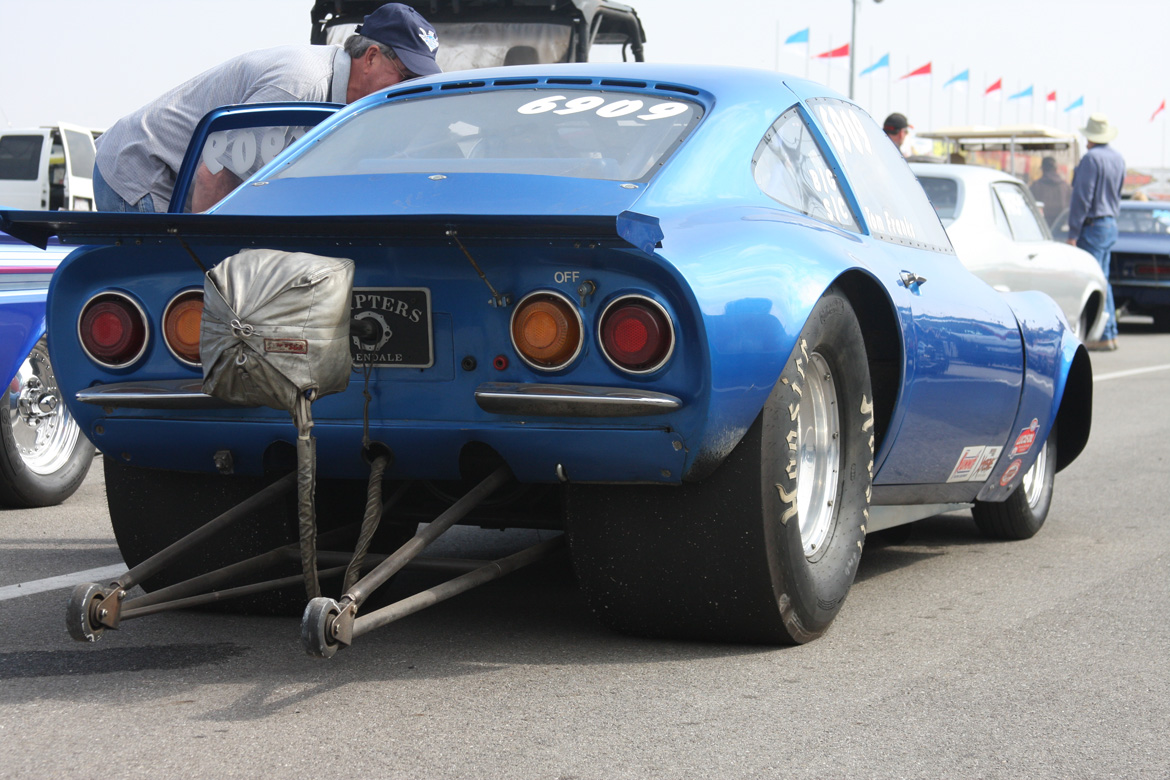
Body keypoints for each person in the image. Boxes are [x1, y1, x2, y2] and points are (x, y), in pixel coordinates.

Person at [93, 3, 441, 213]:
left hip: (182, 177)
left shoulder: (344, 106)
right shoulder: (300, 87)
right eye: (406, 77)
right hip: (143, 168)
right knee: (185, 290)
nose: (409, 91)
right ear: (372, 57)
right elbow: (215, 175)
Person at [1067, 113, 1126, 352]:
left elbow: (1082, 198)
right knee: (1104, 279)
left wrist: (1073, 232)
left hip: (1092, 226)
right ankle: (1108, 333)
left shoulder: (1091, 159)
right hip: (1109, 223)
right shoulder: (1118, 159)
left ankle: (1103, 334)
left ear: (1090, 137)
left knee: (1093, 280)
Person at [1030, 156, 1071, 230]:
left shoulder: (1035, 186)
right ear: (1056, 169)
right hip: (1061, 229)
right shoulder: (1066, 187)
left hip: (1041, 228)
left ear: (1043, 169)